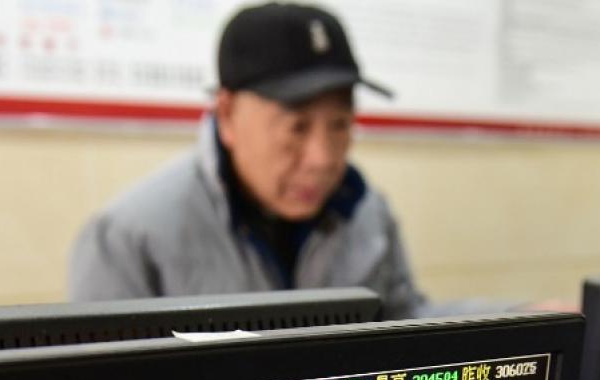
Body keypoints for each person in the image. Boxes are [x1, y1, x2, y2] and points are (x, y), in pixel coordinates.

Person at [68, 2, 425, 315]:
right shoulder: (127, 239)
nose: (322, 159)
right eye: (297, 127)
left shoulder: (367, 212)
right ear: (227, 115)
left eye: (340, 125)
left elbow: (405, 321)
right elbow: (104, 370)